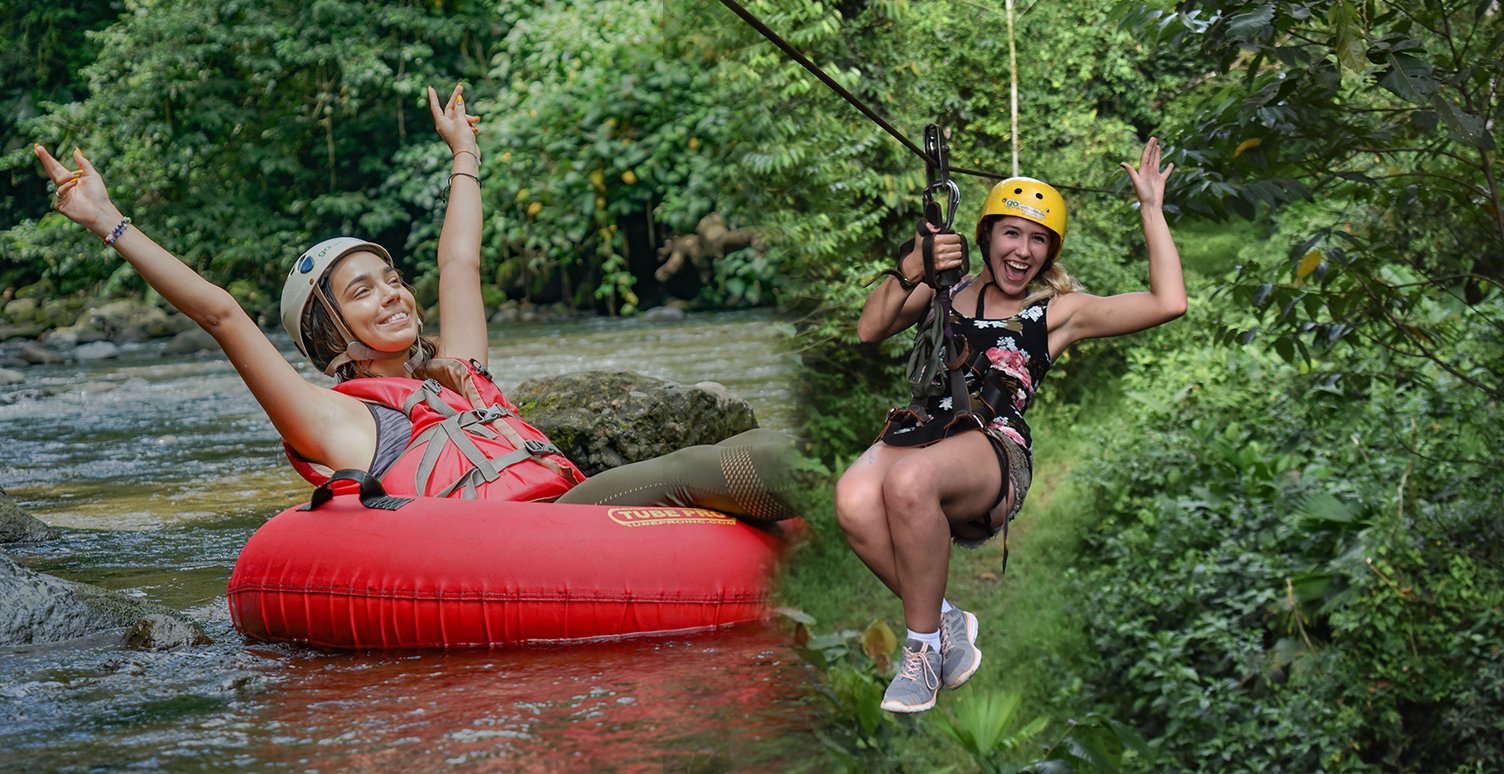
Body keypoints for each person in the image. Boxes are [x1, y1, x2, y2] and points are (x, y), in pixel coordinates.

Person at [34, 84, 798, 520]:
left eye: (392, 280)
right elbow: (221, 312)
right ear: (332, 338)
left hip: (580, 519)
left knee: (735, 467)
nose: (393, 294)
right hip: (521, 546)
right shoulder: (337, 420)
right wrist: (109, 222)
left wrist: (464, 155)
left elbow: (457, 258)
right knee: (727, 460)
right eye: (360, 292)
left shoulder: (459, 373)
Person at [834, 138, 1186, 713]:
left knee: (908, 484)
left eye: (1038, 239)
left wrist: (1150, 208)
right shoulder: (943, 288)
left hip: (992, 448)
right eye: (1012, 234)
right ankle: (947, 622)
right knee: (851, 497)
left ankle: (921, 651)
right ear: (986, 238)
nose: (1023, 250)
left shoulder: (1057, 313)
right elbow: (869, 330)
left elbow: (1168, 301)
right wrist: (913, 267)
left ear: (1050, 253)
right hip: (925, 428)